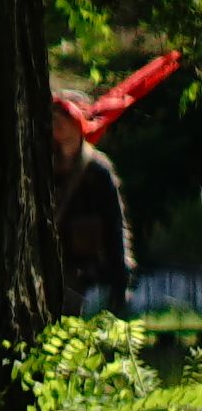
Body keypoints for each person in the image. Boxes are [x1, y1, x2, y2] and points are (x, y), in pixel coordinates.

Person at [59, 98, 141, 317]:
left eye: (64, 118)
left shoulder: (97, 169)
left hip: (90, 274)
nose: (57, 125)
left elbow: (115, 224)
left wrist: (121, 276)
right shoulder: (40, 163)